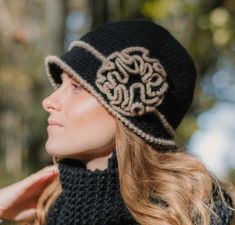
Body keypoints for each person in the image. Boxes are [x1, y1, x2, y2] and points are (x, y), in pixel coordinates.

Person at [0, 19, 234, 225]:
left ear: (131, 110)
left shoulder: (197, 217)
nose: (49, 101)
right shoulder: (45, 213)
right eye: (60, 85)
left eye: (78, 86)